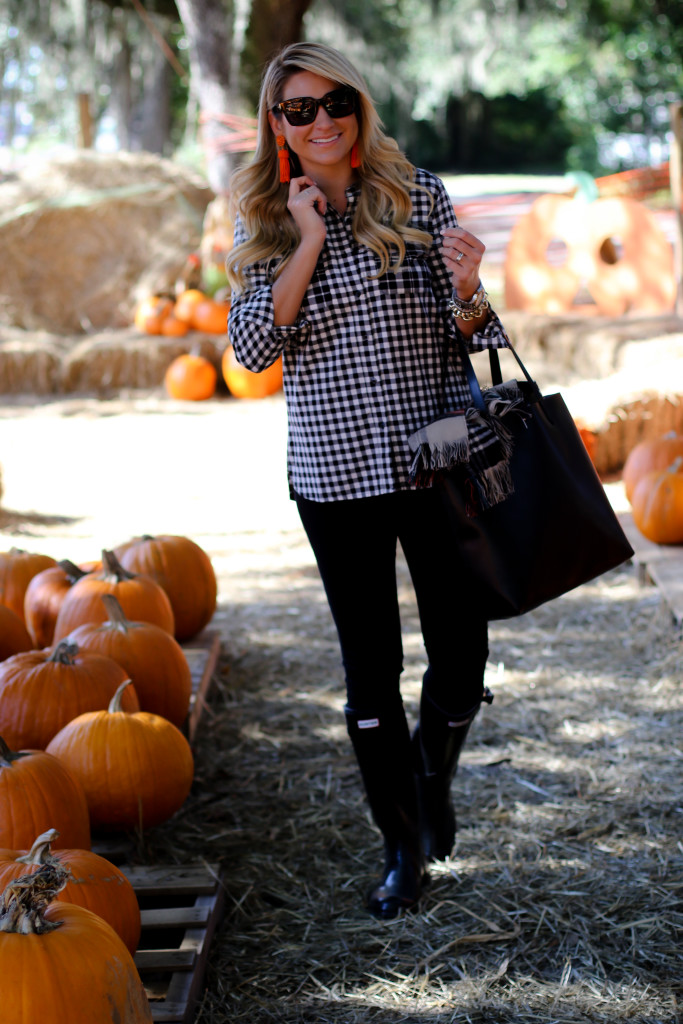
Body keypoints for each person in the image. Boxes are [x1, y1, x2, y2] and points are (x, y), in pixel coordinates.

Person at [226, 41, 511, 920]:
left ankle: (431, 779)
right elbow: (250, 351)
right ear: (277, 123)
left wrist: (468, 285)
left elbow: (473, 337)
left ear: (358, 105)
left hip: (436, 454)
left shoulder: (414, 193)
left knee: (461, 652)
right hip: (334, 471)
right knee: (371, 670)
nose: (321, 122)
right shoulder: (265, 221)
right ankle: (400, 849)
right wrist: (308, 239)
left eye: (334, 102)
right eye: (298, 109)